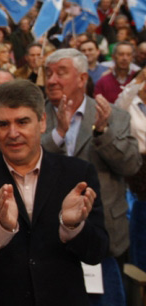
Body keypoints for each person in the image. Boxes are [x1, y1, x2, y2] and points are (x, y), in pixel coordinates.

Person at [0, 80, 108, 305]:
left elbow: (97, 252)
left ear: (42, 122)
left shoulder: (77, 174)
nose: (13, 133)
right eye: (3, 124)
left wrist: (72, 226)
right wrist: (1, 228)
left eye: (22, 122)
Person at [42, 48, 141, 303]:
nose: (51, 80)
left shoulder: (114, 116)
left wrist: (103, 133)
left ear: (82, 79)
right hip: (48, 237)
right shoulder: (35, 117)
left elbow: (130, 166)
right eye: (47, 73)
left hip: (105, 237)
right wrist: (58, 136)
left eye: (61, 73)